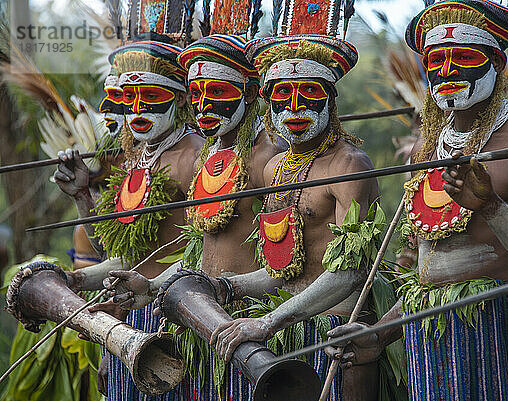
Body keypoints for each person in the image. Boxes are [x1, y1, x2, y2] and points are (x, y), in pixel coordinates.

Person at [326, 1, 508, 400]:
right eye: (436, 60)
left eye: (465, 58)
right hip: (429, 348)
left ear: (495, 61)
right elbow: (430, 274)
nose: (448, 72)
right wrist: (378, 334)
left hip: (507, 347)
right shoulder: (425, 149)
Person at [105, 33, 287, 400]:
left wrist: (264, 318)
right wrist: (153, 287)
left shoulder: (270, 157)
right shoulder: (210, 154)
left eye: (218, 93)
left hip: (246, 320)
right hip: (194, 313)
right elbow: (196, 256)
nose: (205, 106)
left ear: (250, 94)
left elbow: (284, 261)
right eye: (200, 95)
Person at [202, 33, 380, 401]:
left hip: (337, 337)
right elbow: (282, 269)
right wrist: (228, 288)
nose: (294, 108)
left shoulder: (349, 165)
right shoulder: (274, 169)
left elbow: (350, 272)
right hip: (284, 332)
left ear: (331, 99)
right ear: (266, 103)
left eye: (309, 94)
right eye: (282, 96)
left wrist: (269, 321)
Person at [54, 38, 203, 400]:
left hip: (177, 318)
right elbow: (113, 250)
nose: (138, 110)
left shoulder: (197, 156)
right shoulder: (135, 159)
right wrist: (82, 195)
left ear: (181, 98)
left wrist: (153, 289)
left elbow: (206, 252)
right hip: (130, 318)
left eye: (151, 97)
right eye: (130, 99)